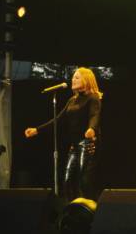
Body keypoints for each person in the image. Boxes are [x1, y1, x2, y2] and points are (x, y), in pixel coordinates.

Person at [25, 67, 102, 201]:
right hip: (74, 145)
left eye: (77, 77)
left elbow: (94, 115)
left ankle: (90, 209)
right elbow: (58, 120)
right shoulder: (72, 101)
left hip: (88, 143)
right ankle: (71, 209)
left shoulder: (93, 97)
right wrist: (37, 130)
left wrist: (92, 129)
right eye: (73, 77)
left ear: (86, 80)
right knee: (67, 180)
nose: (73, 79)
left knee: (84, 180)